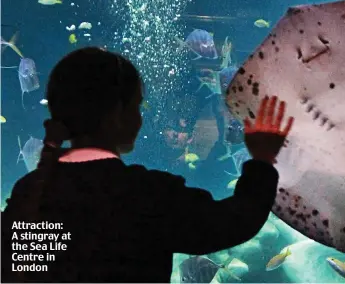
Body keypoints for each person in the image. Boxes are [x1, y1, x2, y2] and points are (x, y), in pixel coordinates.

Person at [1, 47, 294, 283]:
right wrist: (262, 161)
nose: (141, 118)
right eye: (137, 106)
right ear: (118, 114)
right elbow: (234, 223)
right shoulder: (147, 194)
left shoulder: (30, 191)